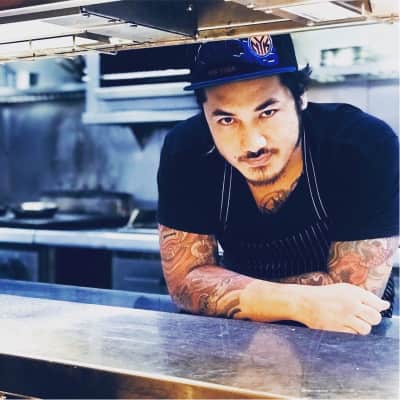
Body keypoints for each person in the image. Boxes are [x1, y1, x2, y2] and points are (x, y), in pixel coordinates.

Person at [157, 33, 399, 335]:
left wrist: (226, 289)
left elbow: (353, 300)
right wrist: (302, 303)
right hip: (239, 338)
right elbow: (184, 283)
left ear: (300, 98)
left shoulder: (362, 146)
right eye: (227, 120)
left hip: (349, 342)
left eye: (267, 112)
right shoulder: (187, 151)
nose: (252, 143)